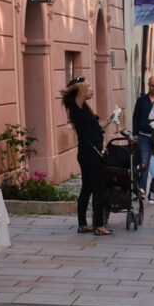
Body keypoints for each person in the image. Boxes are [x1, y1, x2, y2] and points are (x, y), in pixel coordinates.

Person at [63, 77, 111, 235]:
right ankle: (99, 225)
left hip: (88, 152)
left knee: (87, 188)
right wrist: (77, 84)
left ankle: (83, 224)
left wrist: (110, 119)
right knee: (98, 188)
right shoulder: (76, 106)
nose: (91, 89)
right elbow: (79, 87)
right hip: (91, 154)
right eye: (88, 87)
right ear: (80, 91)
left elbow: (96, 128)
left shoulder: (84, 108)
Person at [132, 75, 154, 203]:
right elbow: (135, 117)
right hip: (144, 135)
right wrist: (135, 134)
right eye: (152, 85)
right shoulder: (142, 100)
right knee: (144, 162)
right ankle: (142, 188)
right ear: (148, 84)